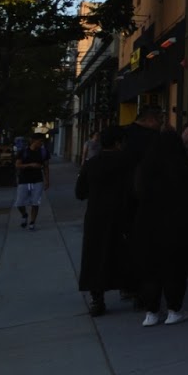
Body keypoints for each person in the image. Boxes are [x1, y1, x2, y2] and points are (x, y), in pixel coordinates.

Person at [134, 130, 188, 326]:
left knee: (151, 269)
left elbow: (137, 192)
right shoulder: (186, 166)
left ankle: (151, 312)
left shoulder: (145, 168)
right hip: (177, 224)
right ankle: (175, 309)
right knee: (175, 268)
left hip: (148, 223)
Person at [76, 126, 135, 316]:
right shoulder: (128, 162)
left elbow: (80, 192)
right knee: (123, 252)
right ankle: (128, 288)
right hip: (122, 213)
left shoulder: (91, 164)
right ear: (118, 143)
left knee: (95, 255)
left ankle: (97, 298)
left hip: (96, 215)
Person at [13, 135, 49, 231]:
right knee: (19, 203)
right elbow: (17, 165)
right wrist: (31, 165)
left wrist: (47, 180)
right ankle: (24, 214)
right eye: (40, 141)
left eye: (42, 141)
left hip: (38, 180)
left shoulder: (43, 152)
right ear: (33, 141)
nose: (41, 143)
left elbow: (46, 166)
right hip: (24, 180)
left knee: (35, 202)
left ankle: (32, 222)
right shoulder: (23, 152)